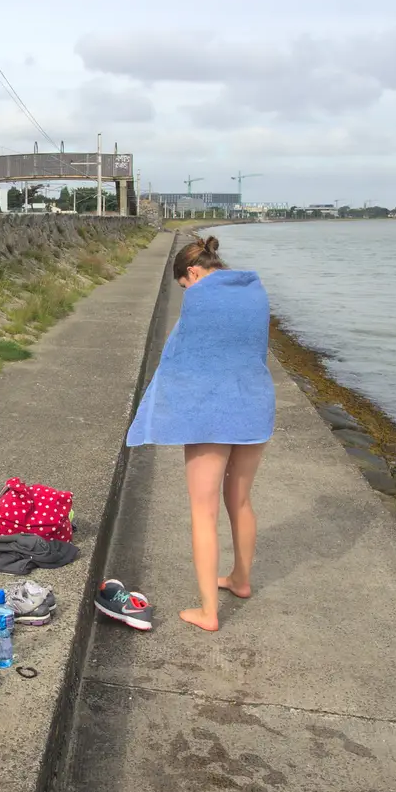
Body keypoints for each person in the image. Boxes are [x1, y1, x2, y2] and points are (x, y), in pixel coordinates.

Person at [125, 235, 275, 632]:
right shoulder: (256, 293)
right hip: (254, 404)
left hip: (211, 413)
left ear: (192, 272)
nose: (186, 292)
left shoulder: (200, 297)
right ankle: (240, 580)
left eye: (183, 285)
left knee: (203, 511)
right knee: (240, 501)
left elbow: (181, 359)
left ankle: (208, 612)